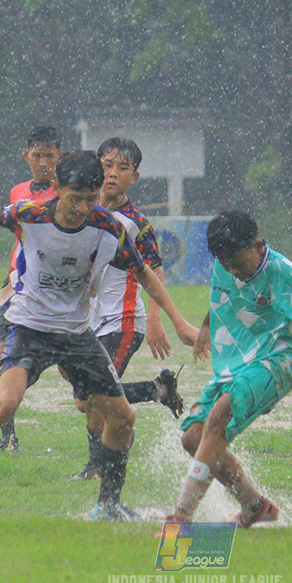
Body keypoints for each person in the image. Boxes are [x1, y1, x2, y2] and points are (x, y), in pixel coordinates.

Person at [0, 150, 197, 526]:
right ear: (55, 188)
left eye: (90, 198)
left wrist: (178, 322)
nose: (82, 208)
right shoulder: (31, 214)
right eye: (75, 198)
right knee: (6, 402)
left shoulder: (109, 228)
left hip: (76, 335)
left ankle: (108, 506)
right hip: (29, 328)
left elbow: (144, 272)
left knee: (122, 417)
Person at [164, 211, 292, 527]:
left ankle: (182, 516)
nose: (233, 270)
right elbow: (225, 296)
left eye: (238, 263)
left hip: (276, 359)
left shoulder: (280, 271)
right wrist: (205, 327)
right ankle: (255, 506)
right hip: (235, 364)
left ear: (257, 246)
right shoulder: (226, 263)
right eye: (225, 264)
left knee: (218, 417)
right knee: (193, 438)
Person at [69, 137, 193, 480]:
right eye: (107, 165)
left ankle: (97, 466)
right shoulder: (82, 210)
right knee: (86, 401)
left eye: (122, 168)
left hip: (123, 322)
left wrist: (154, 320)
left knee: (94, 396)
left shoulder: (136, 222)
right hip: (87, 322)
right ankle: (156, 390)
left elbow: (154, 271)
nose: (112, 173)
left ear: (134, 177)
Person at [0, 126, 62, 452]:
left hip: (49, 288)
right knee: (0, 357)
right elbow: (18, 237)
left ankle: (117, 415)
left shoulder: (65, 193)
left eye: (50, 155)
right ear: (26, 156)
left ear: (59, 156)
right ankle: (8, 436)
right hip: (15, 285)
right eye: (37, 155)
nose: (43, 162)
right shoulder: (17, 191)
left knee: (70, 371)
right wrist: (10, 272)